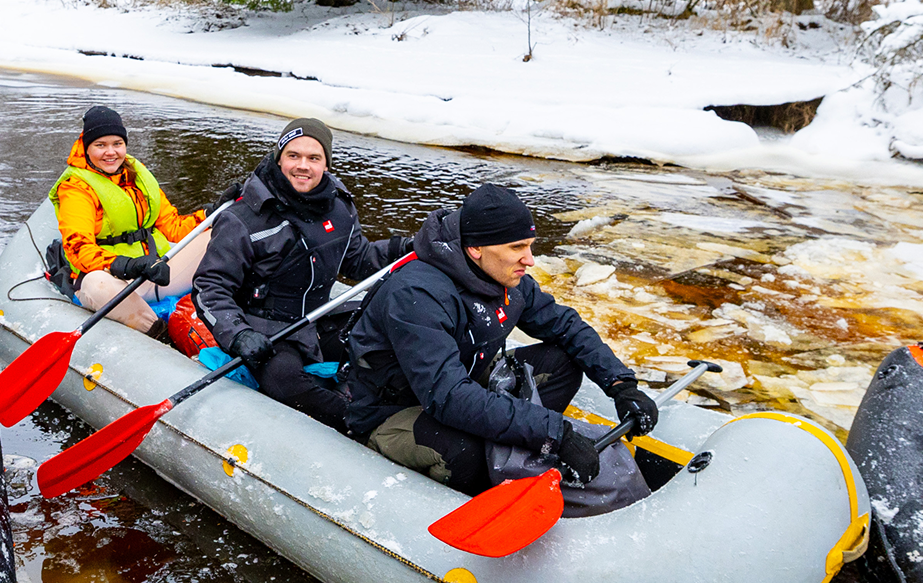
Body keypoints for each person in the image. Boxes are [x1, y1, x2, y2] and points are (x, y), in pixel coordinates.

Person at [344, 183, 659, 495]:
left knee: (562, 362)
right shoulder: (417, 294)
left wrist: (620, 384)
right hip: (397, 408)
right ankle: (483, 485)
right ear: (476, 248)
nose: (530, 259)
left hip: (466, 379)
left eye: (529, 245)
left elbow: (564, 325)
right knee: (466, 452)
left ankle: (517, 454)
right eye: (517, 247)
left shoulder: (505, 277)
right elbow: (448, 397)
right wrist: (553, 433)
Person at [192, 118, 405, 431]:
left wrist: (405, 247)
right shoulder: (243, 218)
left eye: (314, 158)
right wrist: (238, 334)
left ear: (326, 165)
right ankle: (365, 425)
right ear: (279, 159)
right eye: (293, 156)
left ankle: (400, 407)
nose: (303, 166)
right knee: (283, 380)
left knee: (385, 340)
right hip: (266, 329)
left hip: (319, 317)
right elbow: (209, 287)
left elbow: (357, 259)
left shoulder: (339, 205)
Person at [52, 104, 206, 332]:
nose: (110, 152)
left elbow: (173, 227)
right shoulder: (76, 188)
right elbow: (78, 248)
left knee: (218, 232)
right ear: (86, 148)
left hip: (157, 272)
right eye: (100, 145)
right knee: (96, 285)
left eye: (117, 144)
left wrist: (209, 214)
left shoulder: (137, 175)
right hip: (117, 281)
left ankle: (220, 305)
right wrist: (127, 265)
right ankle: (157, 332)